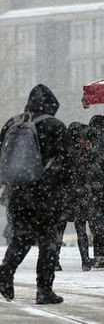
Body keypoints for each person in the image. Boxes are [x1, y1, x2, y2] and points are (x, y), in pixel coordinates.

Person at [0, 84, 67, 305]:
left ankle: (8, 267)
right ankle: (44, 290)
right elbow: (66, 163)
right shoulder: (55, 126)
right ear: (51, 105)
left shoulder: (13, 123)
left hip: (17, 194)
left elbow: (0, 155)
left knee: (21, 237)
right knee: (49, 244)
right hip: (47, 196)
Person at [56, 122, 95, 271]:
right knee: (80, 229)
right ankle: (85, 260)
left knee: (60, 230)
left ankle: (55, 260)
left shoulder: (63, 151)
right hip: (78, 195)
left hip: (65, 196)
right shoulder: (82, 153)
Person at [88, 114, 104, 269]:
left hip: (94, 190)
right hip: (97, 187)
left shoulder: (92, 143)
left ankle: (99, 256)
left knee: (97, 224)